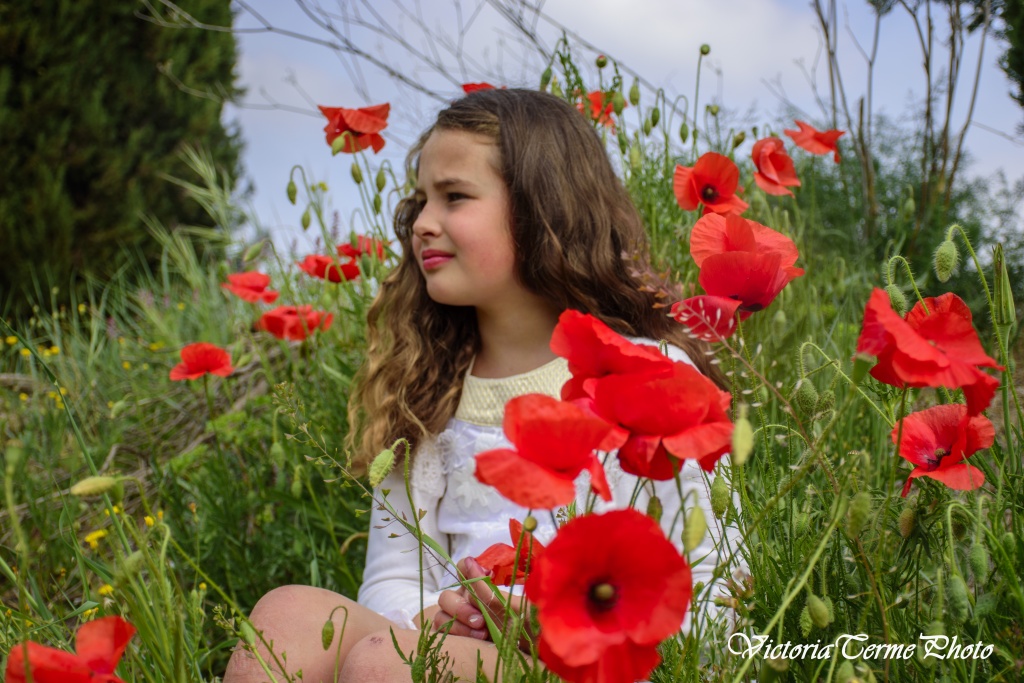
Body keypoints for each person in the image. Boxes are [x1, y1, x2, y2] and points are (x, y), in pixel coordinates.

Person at [224, 87, 740, 683]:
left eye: (455, 197)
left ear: (541, 211)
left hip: (600, 660)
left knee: (384, 664)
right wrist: (438, 618)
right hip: (455, 650)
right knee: (286, 617)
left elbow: (720, 585)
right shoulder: (426, 391)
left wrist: (554, 626)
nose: (422, 224)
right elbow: (392, 579)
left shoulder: (651, 375)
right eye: (422, 200)